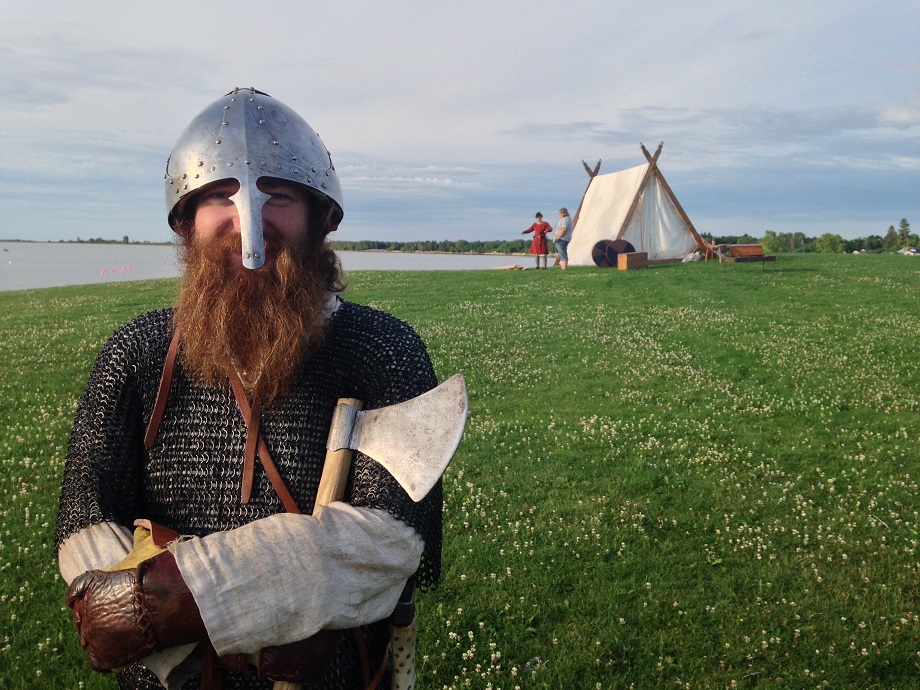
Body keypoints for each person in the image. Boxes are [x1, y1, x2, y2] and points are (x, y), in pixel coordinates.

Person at [55, 87, 442, 690]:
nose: (248, 223)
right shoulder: (136, 354)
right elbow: (86, 520)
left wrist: (169, 605)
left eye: (278, 196)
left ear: (318, 217)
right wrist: (175, 657)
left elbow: (385, 546)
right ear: (187, 222)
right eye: (217, 196)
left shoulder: (382, 351)